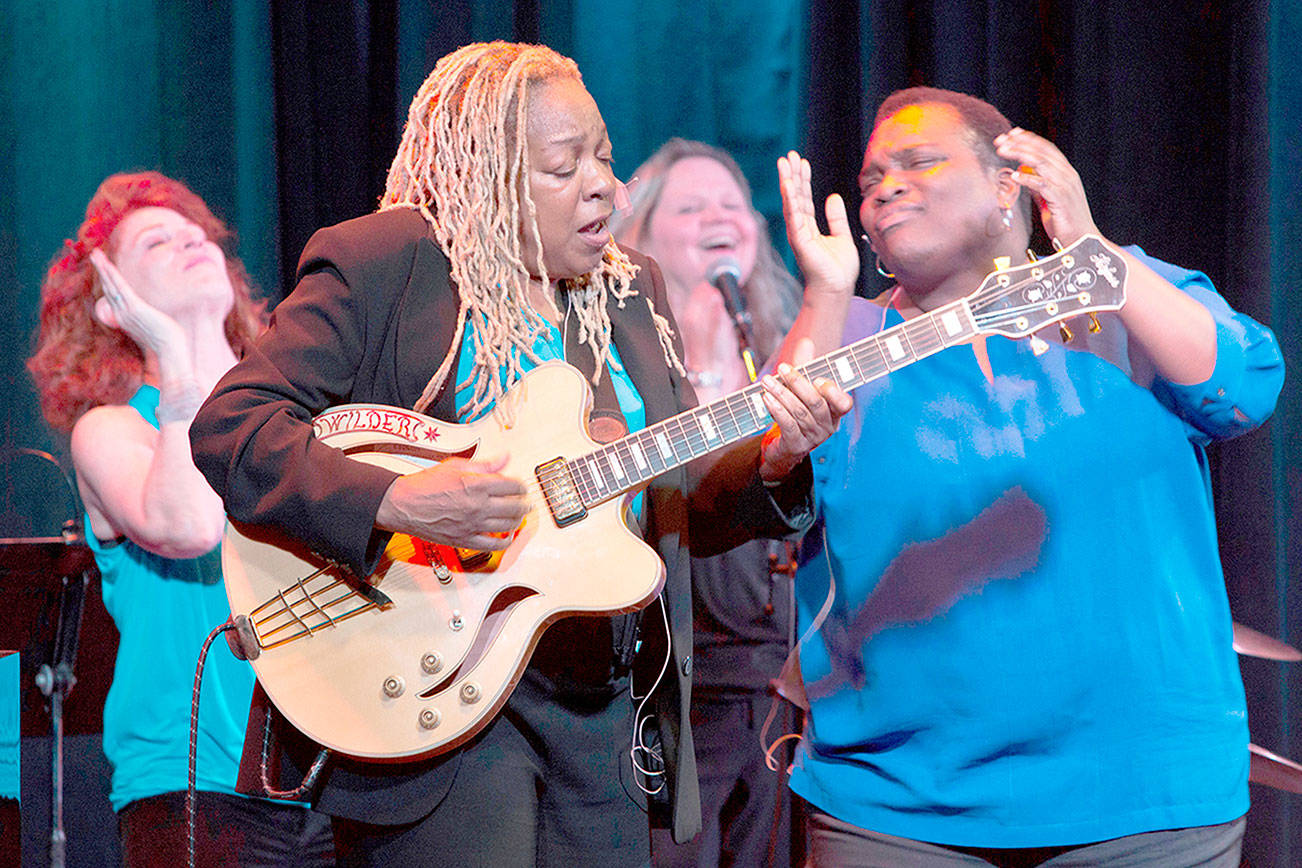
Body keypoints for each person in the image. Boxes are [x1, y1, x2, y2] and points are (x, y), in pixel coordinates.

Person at [187, 42, 851, 867]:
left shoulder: (629, 288)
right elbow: (233, 426)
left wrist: (774, 459)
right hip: (436, 701)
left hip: (602, 713)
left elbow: (676, 503)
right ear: (487, 174)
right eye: (564, 166)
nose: (602, 184)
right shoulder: (390, 261)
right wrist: (397, 502)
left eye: (604, 158)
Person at [773, 87, 1284, 866]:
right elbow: (754, 471)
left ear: (1010, 182)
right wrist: (825, 293)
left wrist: (1094, 256)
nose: (886, 187)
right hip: (898, 806)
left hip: (1142, 802)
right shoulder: (847, 333)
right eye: (873, 178)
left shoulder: (1123, 296)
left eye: (920, 161)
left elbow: (1245, 387)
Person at [27, 172, 336, 866]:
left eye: (194, 233)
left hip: (338, 771)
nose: (191, 239)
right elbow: (191, 522)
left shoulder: (301, 414)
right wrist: (172, 353)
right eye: (156, 242)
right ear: (112, 306)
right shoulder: (112, 431)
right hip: (198, 789)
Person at [613, 138, 802, 867]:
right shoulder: (613, 362)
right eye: (692, 207)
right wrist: (692, 353)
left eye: (732, 204)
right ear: (640, 237)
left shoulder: (790, 346)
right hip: (675, 694)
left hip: (779, 696)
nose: (720, 218)